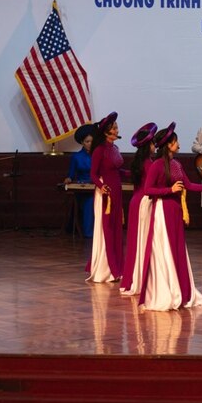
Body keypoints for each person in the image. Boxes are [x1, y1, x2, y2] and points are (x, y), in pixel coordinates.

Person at [139, 123, 202, 311]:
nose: (178, 144)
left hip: (175, 210)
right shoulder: (156, 165)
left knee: (177, 249)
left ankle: (180, 288)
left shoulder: (177, 164)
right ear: (168, 145)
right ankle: (165, 291)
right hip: (162, 210)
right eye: (175, 141)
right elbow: (147, 189)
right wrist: (169, 190)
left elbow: (189, 185)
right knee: (164, 249)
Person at [119, 122, 157, 296]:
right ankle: (142, 276)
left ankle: (135, 274)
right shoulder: (149, 164)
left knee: (136, 240)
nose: (155, 146)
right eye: (152, 143)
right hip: (145, 201)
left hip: (136, 201)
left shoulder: (138, 161)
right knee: (143, 239)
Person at [88, 112, 126, 283]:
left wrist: (139, 173)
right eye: (114, 128)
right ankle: (107, 268)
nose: (117, 129)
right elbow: (93, 174)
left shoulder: (115, 149)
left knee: (117, 228)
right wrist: (101, 186)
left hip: (117, 191)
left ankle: (118, 267)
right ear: (106, 132)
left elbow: (118, 171)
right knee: (107, 228)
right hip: (106, 193)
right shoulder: (99, 150)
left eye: (117, 127)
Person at [65, 123, 97, 238]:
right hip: (83, 190)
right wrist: (68, 179)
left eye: (92, 141)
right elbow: (71, 175)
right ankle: (89, 233)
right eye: (87, 142)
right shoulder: (76, 157)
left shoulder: (98, 155)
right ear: (82, 143)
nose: (90, 144)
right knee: (90, 201)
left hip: (97, 186)